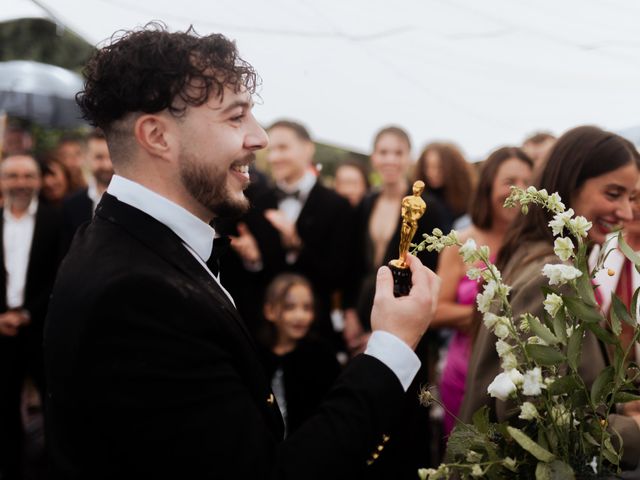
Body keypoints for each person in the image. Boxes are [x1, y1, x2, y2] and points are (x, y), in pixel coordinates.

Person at [44, 25, 440, 480]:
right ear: (157, 135)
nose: (260, 138)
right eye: (236, 118)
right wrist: (391, 346)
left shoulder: (124, 242)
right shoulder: (136, 295)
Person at [460, 126, 640, 472]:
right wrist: (631, 431)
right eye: (613, 194)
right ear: (570, 185)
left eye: (631, 198)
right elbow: (535, 422)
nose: (627, 214)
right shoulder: (554, 277)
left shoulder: (537, 255)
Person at [227, 119, 354, 350]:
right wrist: (253, 261)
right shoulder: (254, 201)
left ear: (308, 149)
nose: (275, 157)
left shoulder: (337, 206)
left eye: (283, 148)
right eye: (272, 149)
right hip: (265, 337)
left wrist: (297, 246)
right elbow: (247, 281)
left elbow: (338, 276)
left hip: (317, 338)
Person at [433, 147, 533, 435]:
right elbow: (437, 311)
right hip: (466, 373)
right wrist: (497, 317)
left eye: (528, 182)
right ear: (488, 184)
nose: (520, 190)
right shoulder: (460, 244)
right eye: (510, 181)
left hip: (526, 379)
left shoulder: (537, 246)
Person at [0, 155, 63, 480]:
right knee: (6, 408)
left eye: (27, 176)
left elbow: (59, 275)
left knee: (53, 406)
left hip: (40, 329)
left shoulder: (56, 221)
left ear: (38, 180)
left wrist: (26, 314)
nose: (20, 182)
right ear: (2, 182)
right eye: (12, 176)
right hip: (1, 332)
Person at [259, 273, 341, 436]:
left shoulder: (321, 356)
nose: (300, 316)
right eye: (289, 307)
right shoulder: (258, 355)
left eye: (307, 308)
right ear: (269, 311)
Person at [61, 128, 114, 245]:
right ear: (86, 158)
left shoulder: (134, 202)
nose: (107, 165)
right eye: (99, 157)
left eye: (111, 157)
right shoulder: (71, 205)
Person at [414, 142, 474, 229]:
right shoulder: (420, 199)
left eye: (439, 167)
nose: (431, 173)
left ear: (453, 168)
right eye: (427, 167)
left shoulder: (468, 198)